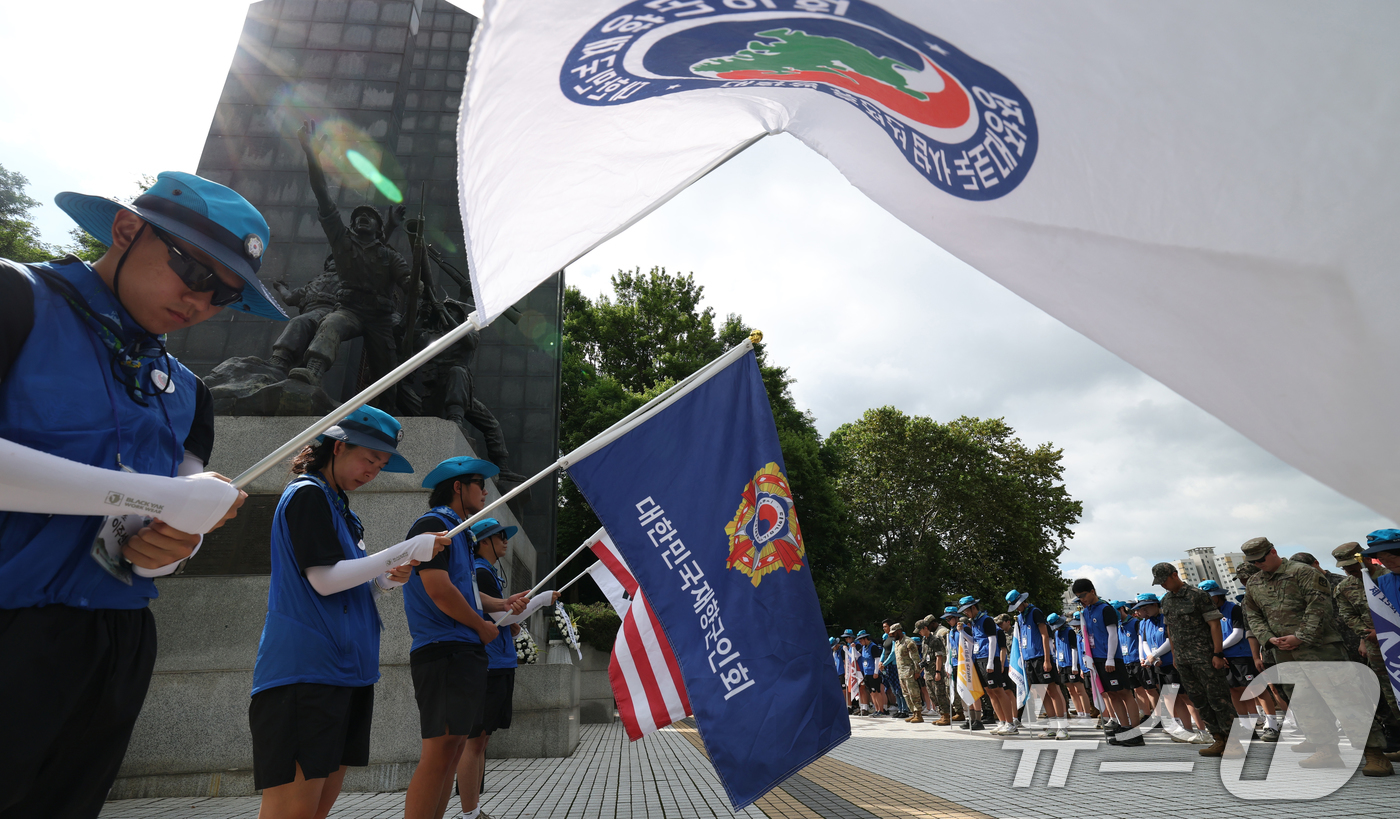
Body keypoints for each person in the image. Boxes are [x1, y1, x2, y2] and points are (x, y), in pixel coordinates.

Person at [0, 170, 292, 818]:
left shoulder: (188, 391)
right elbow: (148, 492)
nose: (202, 302)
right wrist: (149, 495)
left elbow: (158, 533)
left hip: (113, 646)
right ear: (128, 230)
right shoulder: (17, 297)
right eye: (193, 270)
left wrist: (174, 543)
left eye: (226, 294)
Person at [249, 407, 448, 818]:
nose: (373, 471)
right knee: (293, 809)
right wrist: (405, 549)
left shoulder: (342, 508)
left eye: (381, 464)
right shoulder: (306, 494)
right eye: (368, 458)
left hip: (349, 671)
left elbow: (351, 581)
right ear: (338, 447)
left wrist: (387, 579)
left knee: (319, 805)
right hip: (305, 671)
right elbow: (323, 580)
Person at [402, 457, 529, 819]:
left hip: (462, 652)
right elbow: (438, 590)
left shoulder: (460, 533)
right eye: (479, 484)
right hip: (443, 650)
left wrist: (501, 603)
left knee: (454, 748)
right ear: (458, 486)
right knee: (439, 751)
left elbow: (467, 591)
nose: (485, 491)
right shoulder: (433, 525)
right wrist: (480, 625)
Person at [1242, 537, 1393, 776]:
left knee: (1347, 700)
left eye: (1261, 559)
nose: (1258, 564)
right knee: (1305, 703)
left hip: (1321, 649)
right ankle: (1326, 750)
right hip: (1284, 654)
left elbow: (1320, 608)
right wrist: (1268, 638)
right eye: (1253, 562)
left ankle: (1374, 754)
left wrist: (1301, 637)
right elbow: (1253, 615)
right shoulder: (1254, 582)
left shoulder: (1303, 573)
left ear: (1273, 551)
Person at [290, 121, 411, 409]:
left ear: (378, 228)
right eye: (359, 215)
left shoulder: (389, 255)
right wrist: (312, 154)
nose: (363, 218)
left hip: (380, 318)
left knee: (387, 376)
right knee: (331, 323)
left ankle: (390, 411)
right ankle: (314, 371)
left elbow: (407, 280)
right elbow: (323, 195)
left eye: (370, 216)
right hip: (351, 309)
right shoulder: (343, 243)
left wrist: (414, 284)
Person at [1152, 562, 1241, 757]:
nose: (1163, 585)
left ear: (1175, 575)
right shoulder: (1166, 600)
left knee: (1219, 700)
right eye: (1159, 583)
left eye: (1164, 580)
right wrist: (1175, 655)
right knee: (1200, 701)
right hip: (1184, 660)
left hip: (1205, 658)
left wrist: (1217, 654)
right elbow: (1170, 631)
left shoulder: (1197, 595)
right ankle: (1218, 739)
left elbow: (1214, 625)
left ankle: (1234, 742)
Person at [1333, 541, 1400, 753]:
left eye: (1352, 564)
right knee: (1387, 693)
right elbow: (1347, 615)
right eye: (1344, 567)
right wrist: (1366, 634)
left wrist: (1381, 631)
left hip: (1396, 641)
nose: (1349, 570)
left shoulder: (1389, 577)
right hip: (1375, 648)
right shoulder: (1344, 587)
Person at [1199, 579, 1279, 742]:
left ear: (1217, 595)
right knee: (1234, 691)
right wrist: (1218, 654)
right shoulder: (1207, 614)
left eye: (1209, 597)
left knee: (1257, 689)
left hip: (1242, 655)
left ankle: (1272, 724)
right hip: (1223, 657)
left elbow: (1237, 634)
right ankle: (1246, 727)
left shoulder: (1234, 609)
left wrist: (1219, 650)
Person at [1069, 579, 1143, 746]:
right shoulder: (1086, 611)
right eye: (1078, 597)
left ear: (1093, 591)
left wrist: (1110, 657)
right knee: (1112, 694)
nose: (1082, 599)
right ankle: (1124, 729)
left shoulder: (1105, 608)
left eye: (1083, 595)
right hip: (1097, 660)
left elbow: (1113, 634)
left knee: (1124, 693)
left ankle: (1135, 732)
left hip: (1111, 658)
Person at [1007, 589, 1068, 739]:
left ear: (1022, 601)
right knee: (1043, 692)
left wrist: (1047, 659)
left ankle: (1063, 727)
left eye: (1018, 605)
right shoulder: (1020, 617)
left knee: (1053, 691)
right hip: (1029, 659)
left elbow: (1044, 635)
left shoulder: (1035, 612)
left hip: (1041, 657)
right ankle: (1052, 726)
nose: (1017, 608)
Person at [1292, 550, 1365, 664]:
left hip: (1354, 639)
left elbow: (1362, 612)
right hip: (1329, 645)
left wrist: (1363, 639)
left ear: (1316, 563)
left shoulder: (1343, 583)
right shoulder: (1299, 589)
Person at [957, 596, 1015, 734]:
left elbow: (992, 640)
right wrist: (962, 632)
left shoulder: (986, 620)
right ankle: (1001, 722)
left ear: (973, 607)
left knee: (999, 691)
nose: (965, 613)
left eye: (966, 610)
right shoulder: (974, 622)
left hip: (989, 659)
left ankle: (1011, 723)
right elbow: (973, 641)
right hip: (979, 658)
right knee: (990, 692)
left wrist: (990, 662)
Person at [918, 617, 951, 725]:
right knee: (932, 695)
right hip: (928, 672)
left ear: (925, 628)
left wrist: (937, 672)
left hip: (936, 672)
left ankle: (946, 716)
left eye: (920, 630)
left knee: (940, 694)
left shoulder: (935, 640)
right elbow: (925, 656)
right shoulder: (924, 640)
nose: (919, 632)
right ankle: (941, 715)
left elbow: (939, 657)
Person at [890, 623, 923, 723]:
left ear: (899, 631)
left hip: (910, 673)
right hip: (901, 673)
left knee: (914, 693)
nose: (892, 635)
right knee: (906, 694)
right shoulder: (897, 643)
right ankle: (913, 713)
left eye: (894, 633)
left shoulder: (909, 642)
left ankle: (919, 714)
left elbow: (916, 659)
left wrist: (917, 672)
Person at [856, 631, 882, 716]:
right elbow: (856, 655)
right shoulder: (863, 647)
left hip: (872, 672)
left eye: (861, 640)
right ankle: (876, 709)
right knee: (871, 692)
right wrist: (852, 648)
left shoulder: (873, 646)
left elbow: (877, 660)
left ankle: (880, 710)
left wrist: (876, 672)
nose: (860, 642)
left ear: (865, 639)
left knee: (876, 692)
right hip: (866, 672)